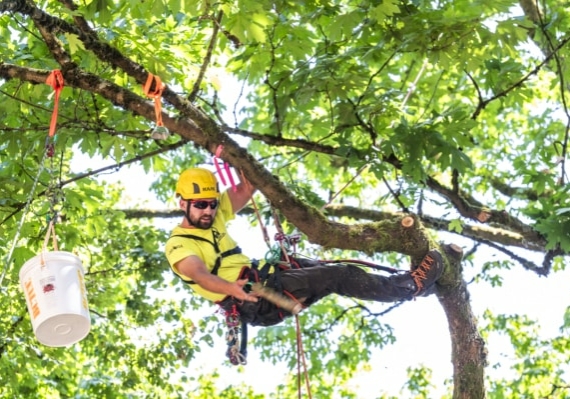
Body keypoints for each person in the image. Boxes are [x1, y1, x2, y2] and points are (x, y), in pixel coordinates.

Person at [165, 168, 444, 360]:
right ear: (182, 203)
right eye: (200, 205)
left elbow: (248, 184)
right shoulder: (180, 244)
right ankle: (412, 285)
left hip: (270, 276)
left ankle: (423, 284)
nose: (209, 211)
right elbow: (199, 274)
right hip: (256, 297)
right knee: (339, 275)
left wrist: (225, 152)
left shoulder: (214, 217)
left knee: (339, 270)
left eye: (212, 204)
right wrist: (231, 288)